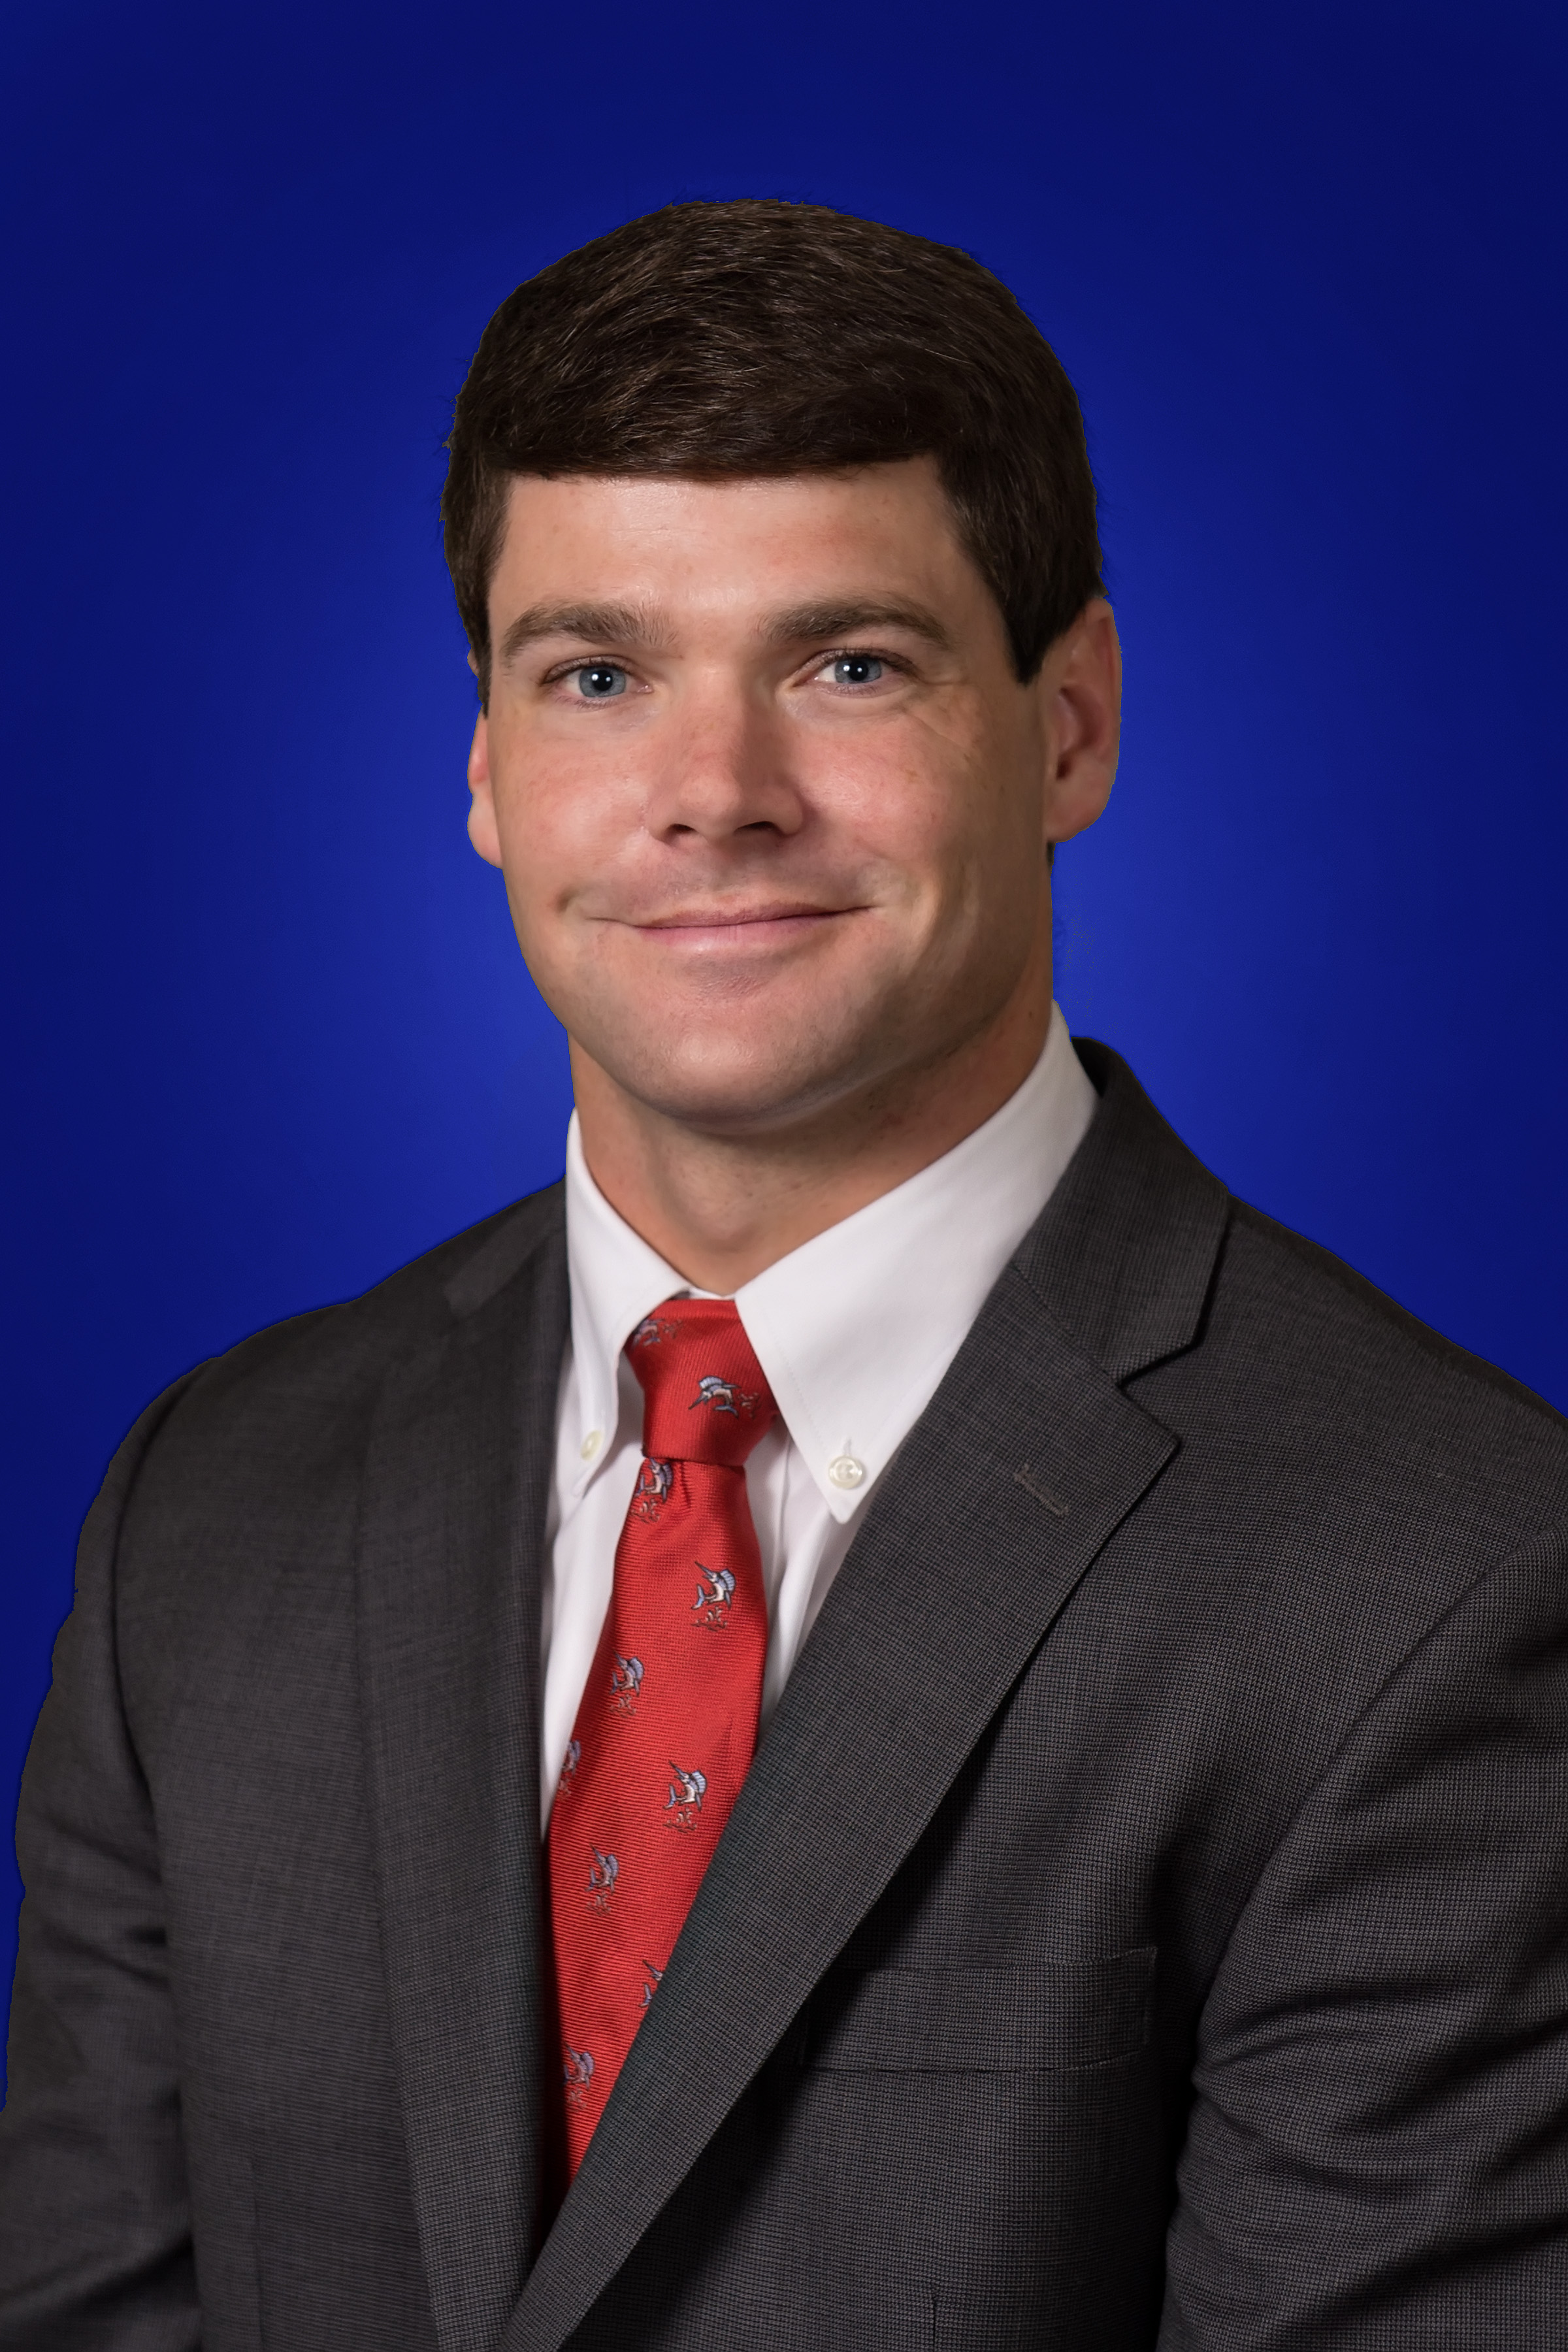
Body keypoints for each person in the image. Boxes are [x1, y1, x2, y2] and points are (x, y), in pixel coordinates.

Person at [3, 198, 1566, 2352]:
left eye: (850, 667)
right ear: (487, 766)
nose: (714, 797)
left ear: (1073, 724)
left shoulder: (1449, 1581)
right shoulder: (214, 1505)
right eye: (599, 677)